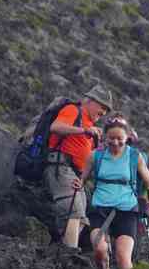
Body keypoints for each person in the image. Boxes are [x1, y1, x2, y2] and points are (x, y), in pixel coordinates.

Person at [84, 117, 149, 269]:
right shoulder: (95, 156)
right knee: (99, 250)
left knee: (123, 258)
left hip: (127, 210)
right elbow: (82, 180)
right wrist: (77, 184)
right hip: (100, 208)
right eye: (111, 139)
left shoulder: (134, 156)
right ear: (104, 137)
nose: (115, 142)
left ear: (128, 138)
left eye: (120, 139)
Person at [45, 84, 112, 249]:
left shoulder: (90, 126)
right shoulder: (73, 110)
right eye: (102, 106)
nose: (103, 112)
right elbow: (56, 127)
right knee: (73, 211)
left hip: (76, 174)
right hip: (60, 166)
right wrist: (84, 131)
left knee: (80, 216)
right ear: (89, 100)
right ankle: (69, 254)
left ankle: (66, 249)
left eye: (106, 110)